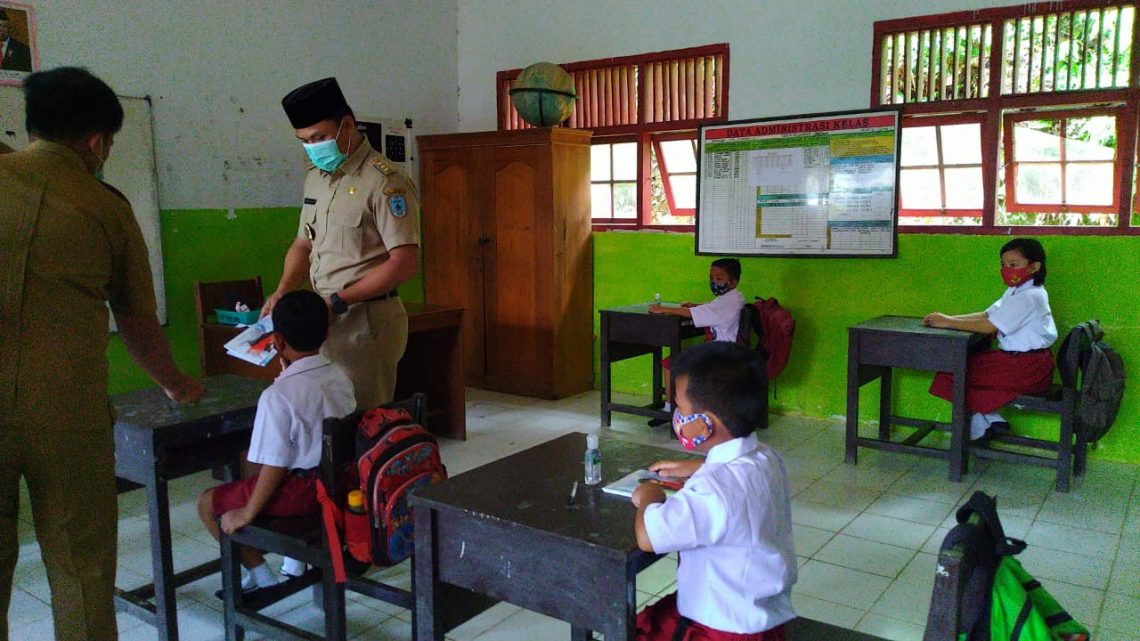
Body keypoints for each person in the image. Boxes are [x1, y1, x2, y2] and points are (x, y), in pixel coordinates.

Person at [0, 66, 205, 641]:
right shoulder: (107, 208)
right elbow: (137, 321)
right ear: (96, 141)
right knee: (81, 570)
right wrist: (175, 383)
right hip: (66, 418)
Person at [263, 77, 420, 412]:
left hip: (366, 322)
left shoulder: (384, 181)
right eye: (304, 141)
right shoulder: (315, 179)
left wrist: (339, 301)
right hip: (323, 320)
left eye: (319, 138)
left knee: (363, 420)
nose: (312, 147)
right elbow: (302, 244)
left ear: (346, 125)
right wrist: (283, 291)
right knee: (325, 418)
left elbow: (404, 261)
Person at [632, 341, 795, 641]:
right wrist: (694, 466)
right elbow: (738, 479)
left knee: (635, 629)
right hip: (762, 621)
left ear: (708, 424)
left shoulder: (712, 491)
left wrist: (648, 498)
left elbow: (648, 538)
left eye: (681, 408)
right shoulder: (767, 458)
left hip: (720, 631)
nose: (677, 418)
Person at [197, 290, 355, 594]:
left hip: (306, 493)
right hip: (342, 482)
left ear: (278, 342)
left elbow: (274, 465)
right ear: (327, 333)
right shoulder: (340, 375)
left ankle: (262, 576)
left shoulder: (277, 397)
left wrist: (247, 513)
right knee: (251, 475)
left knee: (207, 502)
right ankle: (288, 565)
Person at [924, 238, 1057, 442]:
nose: (1007, 269)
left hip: (1027, 368)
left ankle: (984, 423)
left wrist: (948, 322)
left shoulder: (1029, 296)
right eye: (1004, 265)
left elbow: (989, 326)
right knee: (956, 371)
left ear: (1034, 267)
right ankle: (988, 421)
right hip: (1018, 362)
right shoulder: (1017, 290)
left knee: (953, 374)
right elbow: (988, 315)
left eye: (1014, 264)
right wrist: (947, 318)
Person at [646, 257, 745, 425]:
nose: (714, 282)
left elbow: (694, 314)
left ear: (733, 282)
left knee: (671, 364)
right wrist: (695, 305)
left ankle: (670, 410)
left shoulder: (725, 303)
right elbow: (712, 308)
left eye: (719, 279)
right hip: (730, 350)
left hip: (720, 356)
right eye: (711, 278)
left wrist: (663, 309)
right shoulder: (736, 297)